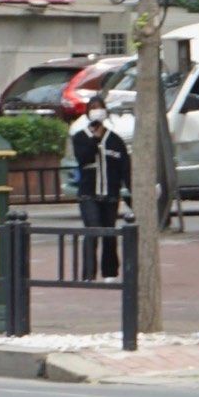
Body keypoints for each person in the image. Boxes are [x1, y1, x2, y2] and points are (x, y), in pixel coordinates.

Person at [70, 93, 131, 280]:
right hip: (88, 194)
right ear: (88, 113)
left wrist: (132, 192)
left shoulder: (115, 140)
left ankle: (110, 272)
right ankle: (88, 273)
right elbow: (84, 158)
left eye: (100, 107)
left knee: (109, 232)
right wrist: (95, 140)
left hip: (110, 195)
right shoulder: (80, 137)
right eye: (93, 107)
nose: (97, 111)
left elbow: (125, 168)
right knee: (93, 229)